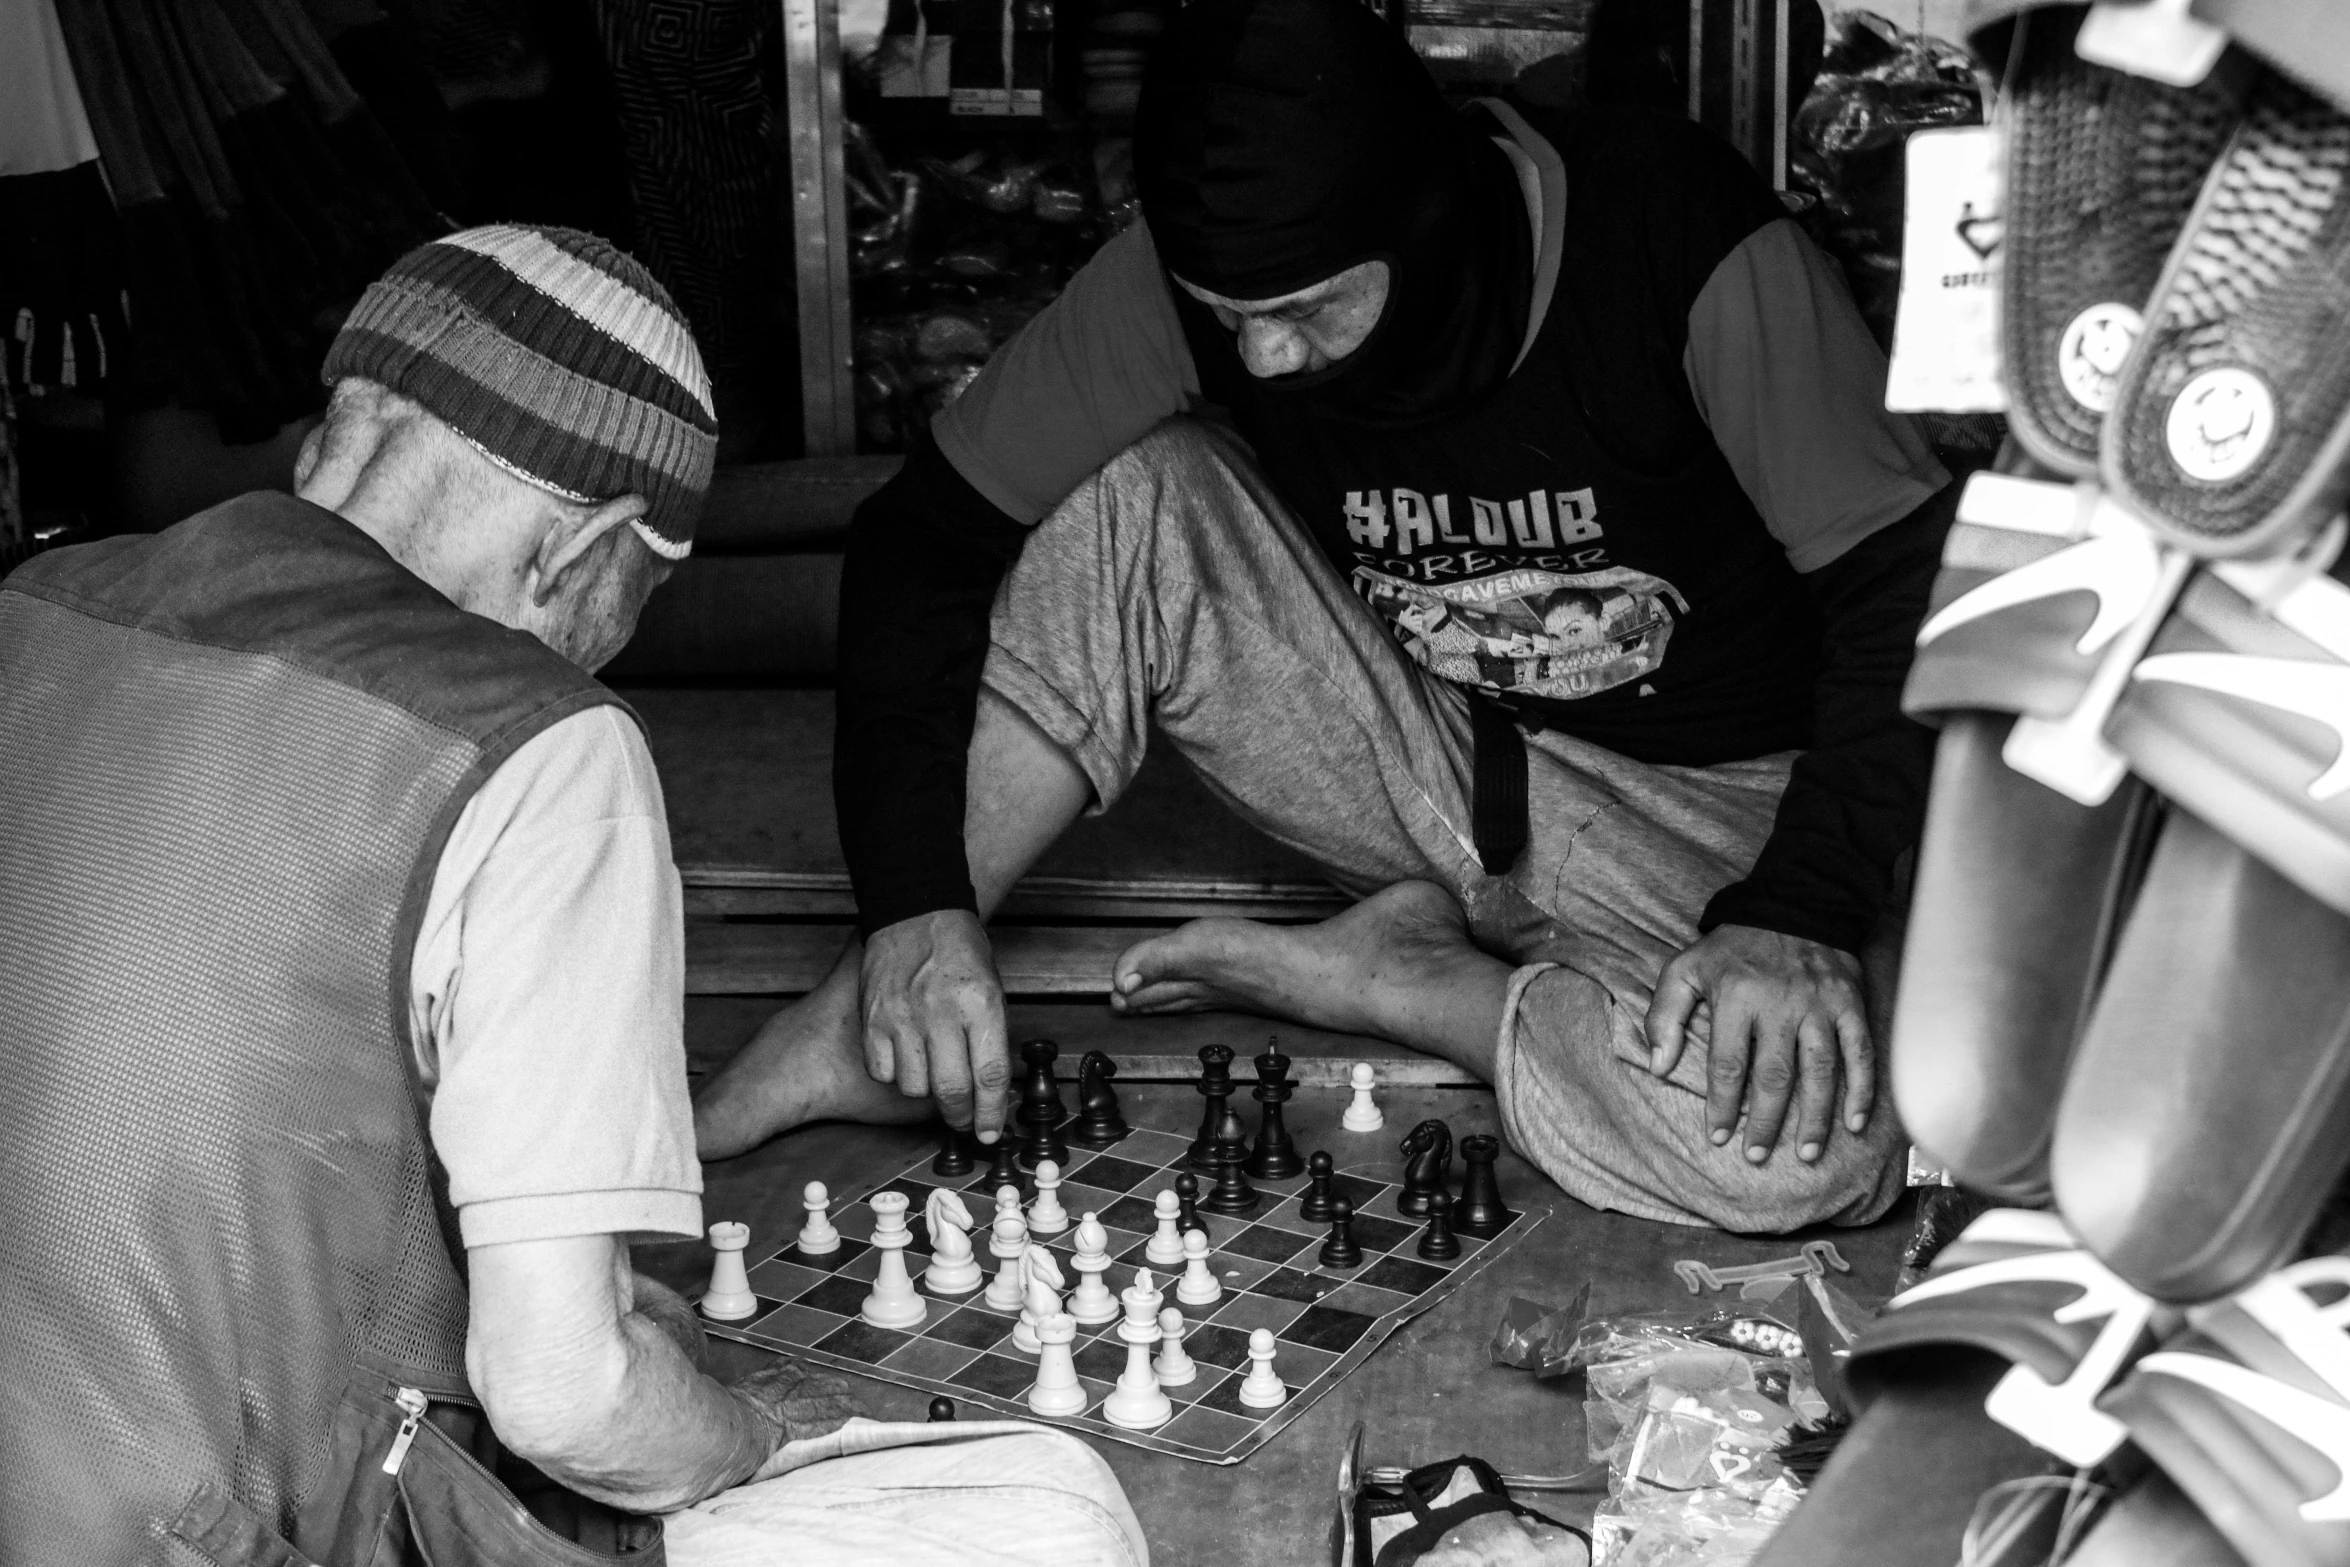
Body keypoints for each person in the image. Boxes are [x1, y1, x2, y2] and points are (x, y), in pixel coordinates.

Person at [696, 0, 1958, 1234]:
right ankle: (871, 1007)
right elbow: (925, 536)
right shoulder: (1193, 283)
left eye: (1307, 312)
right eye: (1232, 319)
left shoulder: (1680, 239)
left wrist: (1798, 913)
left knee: (1813, 1158)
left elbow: (1909, 590)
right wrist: (912, 901)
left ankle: (1401, 980)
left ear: (1431, 226)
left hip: (1718, 813)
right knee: (1128, 494)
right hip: (1436, 753)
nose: (1265, 362)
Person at [0, 225, 1144, 1567]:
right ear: (585, 546)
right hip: (220, 1531)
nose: (623, 645)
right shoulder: (538, 744)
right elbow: (567, 1396)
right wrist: (747, 1436)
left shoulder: (36, 601)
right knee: (1051, 1511)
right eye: (642, 594)